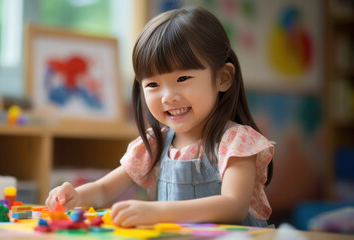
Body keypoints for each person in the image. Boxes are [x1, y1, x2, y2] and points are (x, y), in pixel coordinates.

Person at [46, 7, 274, 228]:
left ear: (223, 78)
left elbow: (233, 206)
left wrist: (157, 212)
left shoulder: (237, 141)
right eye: (153, 84)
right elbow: (104, 190)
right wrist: (75, 195)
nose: (168, 97)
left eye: (183, 78)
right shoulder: (155, 143)